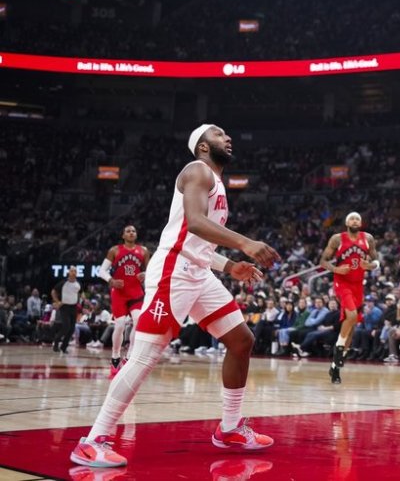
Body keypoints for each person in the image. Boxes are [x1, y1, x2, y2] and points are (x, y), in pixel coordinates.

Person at [70, 124, 279, 468]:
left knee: (241, 340)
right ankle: (93, 440)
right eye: (218, 134)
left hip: (198, 272)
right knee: (144, 356)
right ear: (202, 146)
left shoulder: (216, 181)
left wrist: (229, 267)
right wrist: (245, 242)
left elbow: (198, 242)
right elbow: (195, 223)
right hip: (174, 272)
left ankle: (229, 428)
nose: (228, 138)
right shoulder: (197, 171)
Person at [319, 212, 378, 385]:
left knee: (352, 327)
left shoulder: (368, 238)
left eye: (358, 219)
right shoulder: (337, 239)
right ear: (346, 222)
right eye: (352, 218)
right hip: (342, 283)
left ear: (361, 223)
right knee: (351, 316)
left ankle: (335, 368)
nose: (355, 221)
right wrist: (336, 270)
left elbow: (376, 260)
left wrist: (371, 266)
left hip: (358, 284)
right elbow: (323, 260)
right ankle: (338, 351)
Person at [97, 225, 149, 378]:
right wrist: (111, 280)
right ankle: (115, 357)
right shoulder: (115, 250)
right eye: (128, 231)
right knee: (119, 325)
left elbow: (152, 269)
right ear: (123, 235)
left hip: (136, 292)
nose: (131, 233)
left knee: (138, 320)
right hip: (119, 292)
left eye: (134, 231)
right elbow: (101, 271)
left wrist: (146, 273)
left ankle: (129, 356)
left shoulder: (144, 251)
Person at [51, 267, 81, 353]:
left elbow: (80, 293)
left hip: (74, 307)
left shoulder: (78, 283)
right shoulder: (63, 283)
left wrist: (83, 299)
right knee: (66, 327)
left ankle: (64, 347)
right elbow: (53, 291)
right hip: (64, 307)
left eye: (75, 271)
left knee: (71, 329)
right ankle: (56, 342)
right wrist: (57, 301)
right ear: (68, 272)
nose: (73, 272)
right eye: (72, 271)